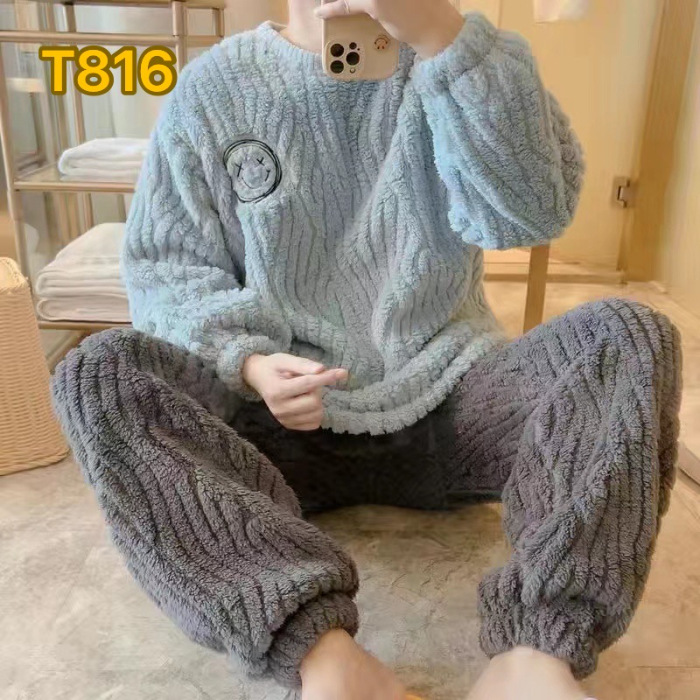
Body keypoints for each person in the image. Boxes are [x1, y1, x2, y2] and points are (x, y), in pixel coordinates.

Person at [51, 1, 683, 699]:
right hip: (278, 428)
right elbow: (167, 268)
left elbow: (529, 215)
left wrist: (443, 38)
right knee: (98, 371)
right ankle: (323, 657)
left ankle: (537, 656)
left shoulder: (463, 58)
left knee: (627, 335)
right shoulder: (214, 87)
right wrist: (250, 362)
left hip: (453, 407)